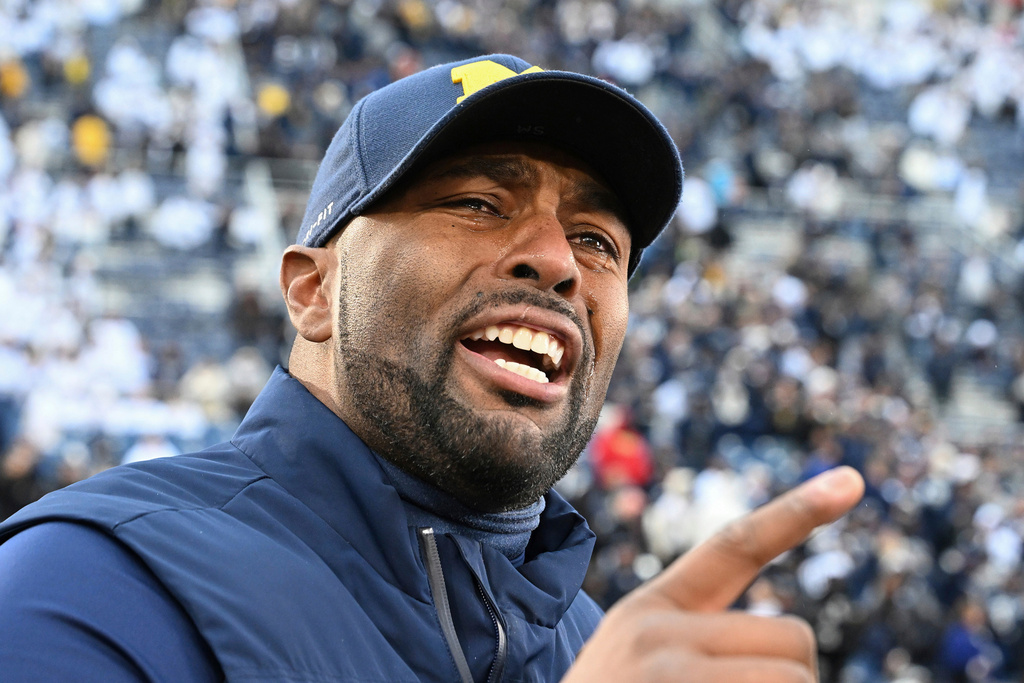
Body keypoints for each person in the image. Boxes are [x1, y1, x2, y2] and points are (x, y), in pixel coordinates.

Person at [0, 54, 864, 682]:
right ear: (312, 292)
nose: (557, 262)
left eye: (598, 241)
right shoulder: (99, 586)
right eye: (479, 204)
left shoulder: (597, 644)